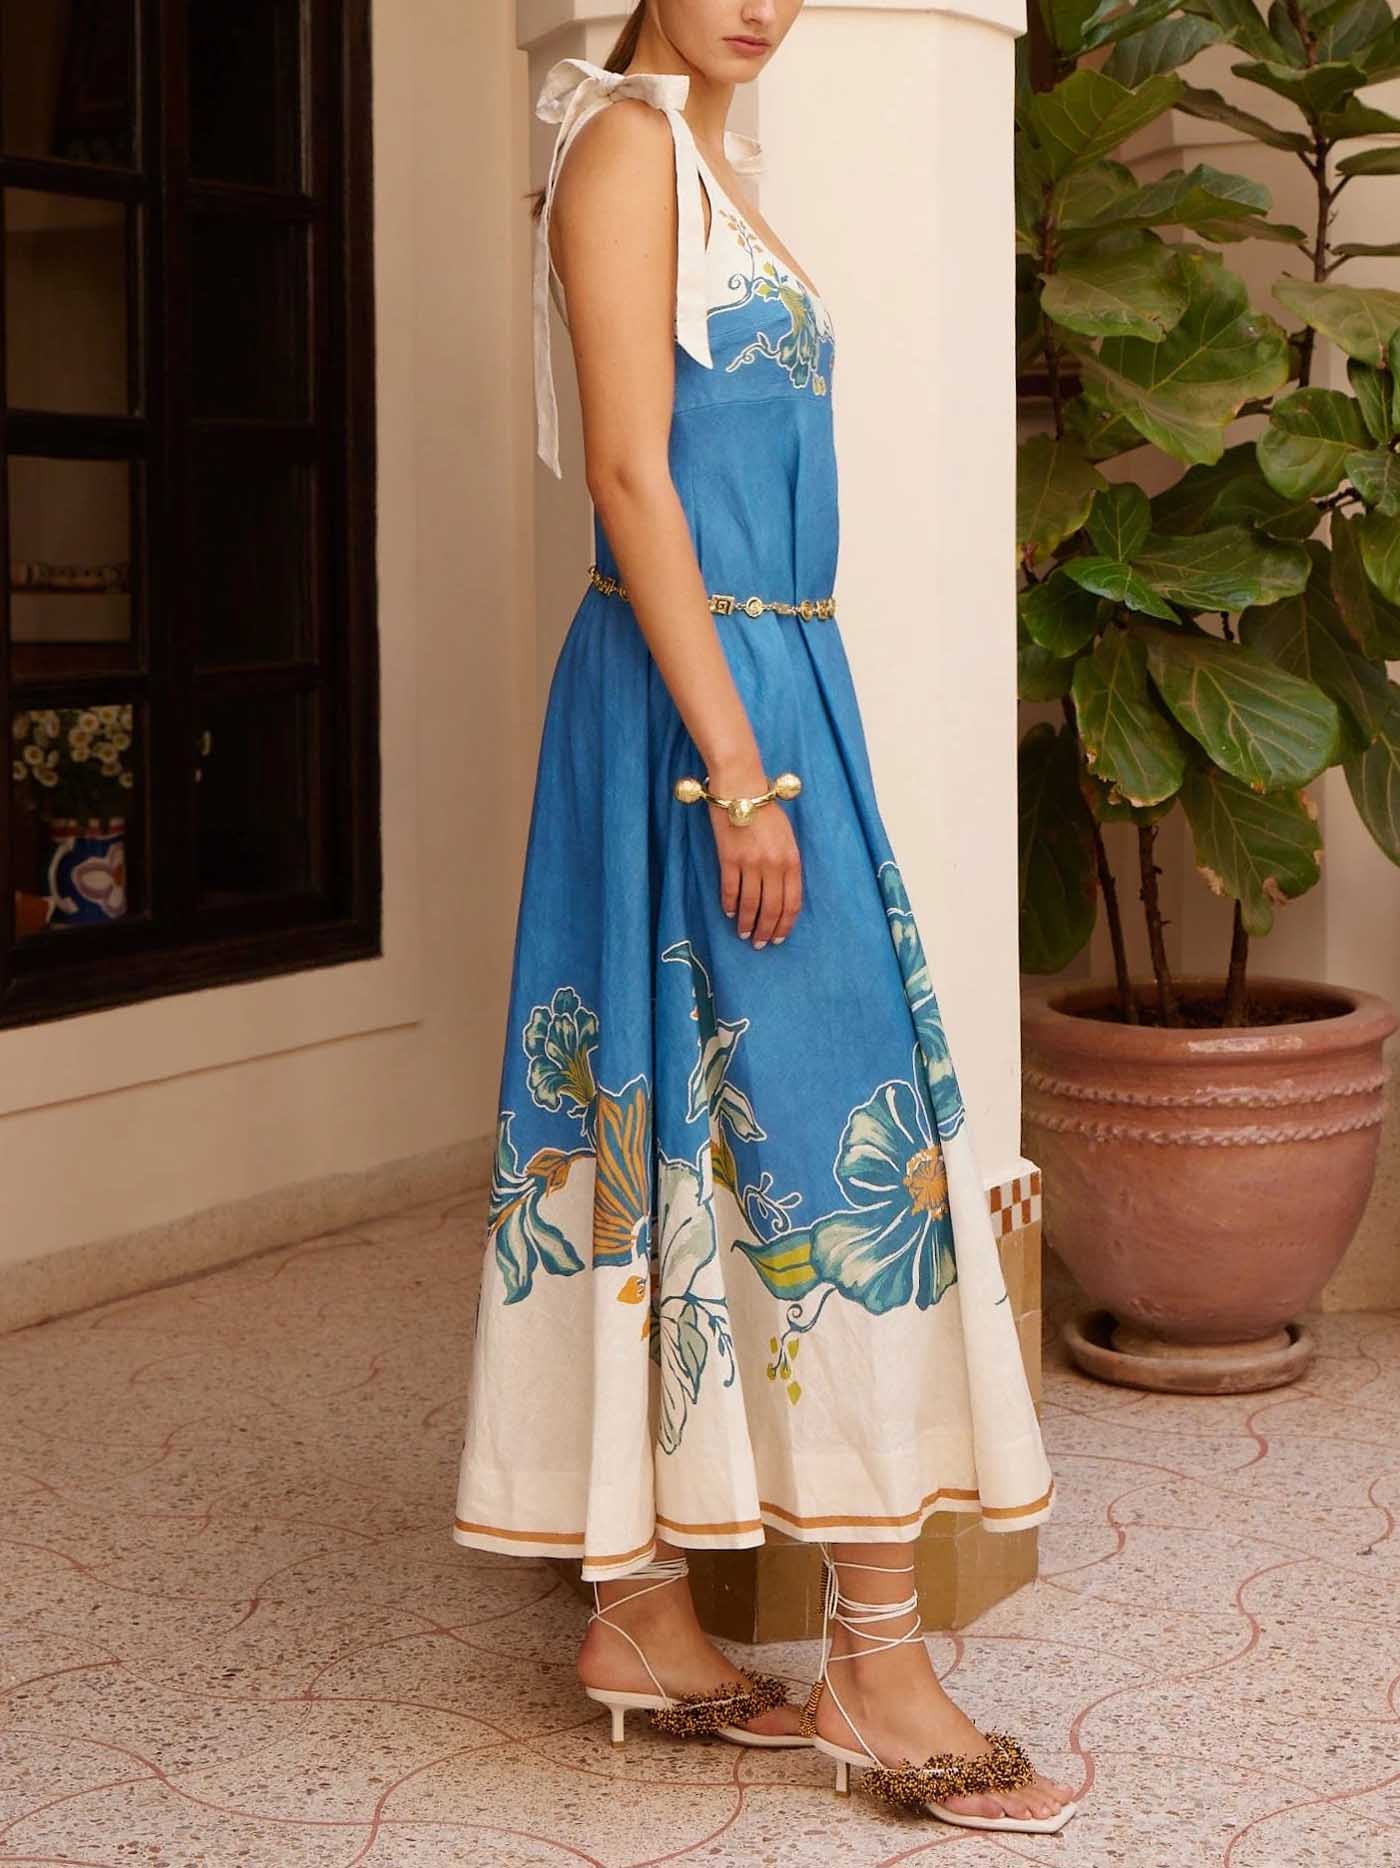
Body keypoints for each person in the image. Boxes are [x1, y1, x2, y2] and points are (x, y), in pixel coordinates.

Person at [453, 0, 1078, 1835]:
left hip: (772, 684)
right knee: (819, 1128)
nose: (766, 0)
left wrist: (773, 734)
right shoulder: (624, 147)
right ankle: (877, 1667)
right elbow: (632, 474)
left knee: (717, 1128)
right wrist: (736, 767)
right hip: (701, 711)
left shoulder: (708, 162)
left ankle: (645, 1616)